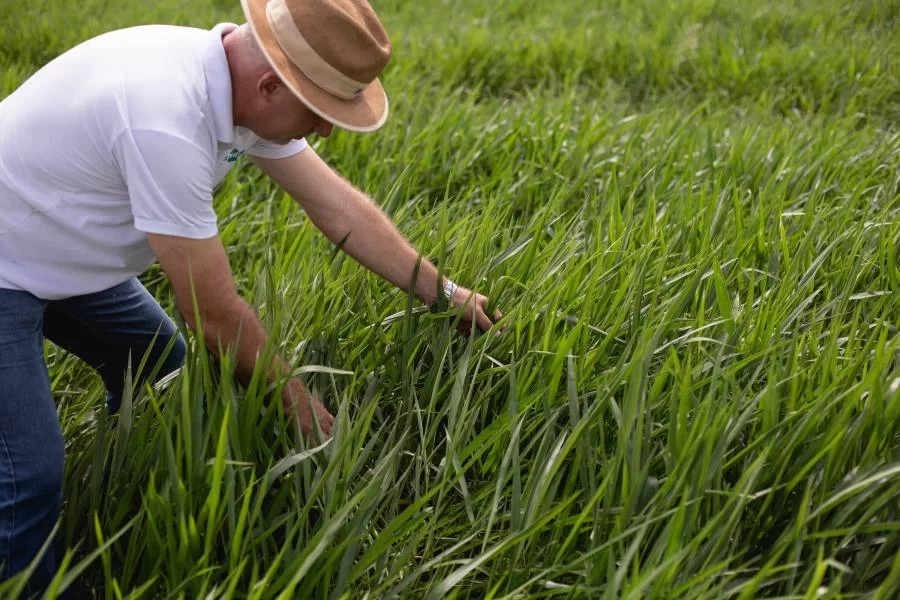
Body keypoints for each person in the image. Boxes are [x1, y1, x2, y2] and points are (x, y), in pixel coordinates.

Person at [0, 0, 502, 588]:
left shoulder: (233, 82)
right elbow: (213, 316)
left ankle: (121, 496)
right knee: (28, 472)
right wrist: (307, 415)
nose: (325, 129)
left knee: (161, 372)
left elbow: (335, 206)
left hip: (54, 250)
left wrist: (443, 292)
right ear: (271, 85)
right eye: (319, 112)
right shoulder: (164, 116)